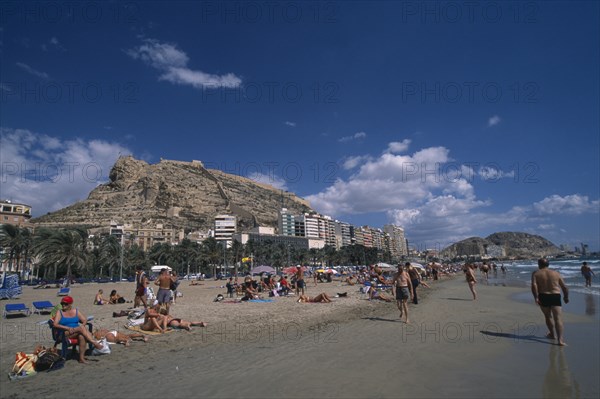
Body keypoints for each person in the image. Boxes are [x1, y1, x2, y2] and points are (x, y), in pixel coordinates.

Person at [52, 296, 104, 363]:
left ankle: (81, 358)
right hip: (64, 333)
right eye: (62, 303)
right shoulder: (60, 312)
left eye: (65, 304)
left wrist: (83, 325)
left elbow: (84, 320)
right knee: (81, 329)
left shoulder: (76, 311)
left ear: (70, 304)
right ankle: (94, 343)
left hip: (76, 331)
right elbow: (55, 324)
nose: (63, 305)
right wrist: (67, 328)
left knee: (81, 336)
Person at [531, 258, 569, 346]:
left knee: (548, 316)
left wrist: (536, 297)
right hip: (555, 296)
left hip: (543, 296)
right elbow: (564, 287)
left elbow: (534, 285)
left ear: (539, 264)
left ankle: (552, 334)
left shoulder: (536, 273)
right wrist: (566, 297)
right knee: (558, 318)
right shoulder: (556, 273)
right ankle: (560, 340)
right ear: (548, 264)